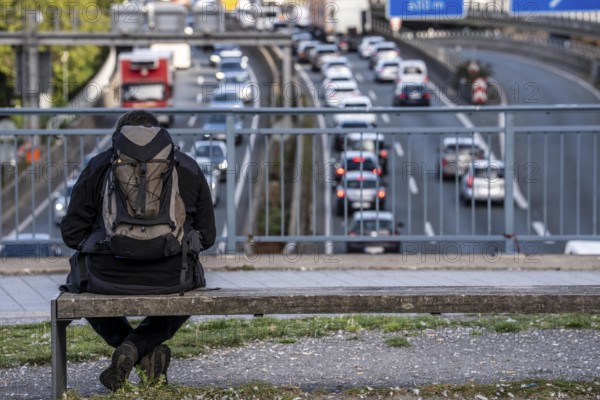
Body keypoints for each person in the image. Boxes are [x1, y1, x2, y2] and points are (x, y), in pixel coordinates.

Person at [60, 110, 216, 391]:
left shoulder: (98, 166)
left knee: (78, 279)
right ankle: (142, 348)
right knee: (193, 281)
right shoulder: (188, 166)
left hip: (107, 278)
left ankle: (128, 346)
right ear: (159, 136)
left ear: (117, 139)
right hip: (171, 278)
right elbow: (208, 236)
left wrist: (106, 240)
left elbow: (71, 234)